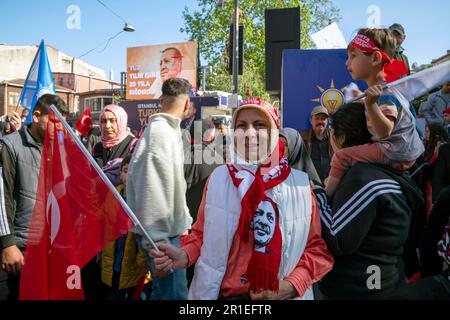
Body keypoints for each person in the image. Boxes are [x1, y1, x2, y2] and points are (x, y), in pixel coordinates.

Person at [149, 98, 334, 300]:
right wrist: (183, 254)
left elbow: (317, 250)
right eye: (241, 125)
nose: (249, 133)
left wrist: (291, 286)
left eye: (260, 125)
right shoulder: (218, 179)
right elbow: (201, 235)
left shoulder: (300, 186)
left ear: (274, 132)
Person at [317, 102, 423, 299]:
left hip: (361, 291)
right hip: (384, 282)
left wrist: (317, 198)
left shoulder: (364, 179)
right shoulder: (383, 171)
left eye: (332, 131)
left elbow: (338, 239)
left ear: (341, 137)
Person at [325, 28, 424, 197]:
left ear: (375, 58)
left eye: (353, 56)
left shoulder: (385, 93)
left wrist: (370, 105)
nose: (347, 62)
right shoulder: (379, 92)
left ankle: (326, 195)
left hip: (394, 151)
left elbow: (384, 132)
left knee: (341, 157)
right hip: (397, 152)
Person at [127, 78, 193, 300]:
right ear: (186, 104)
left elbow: (170, 186)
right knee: (173, 297)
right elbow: (152, 191)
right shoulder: (161, 134)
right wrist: (158, 245)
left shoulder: (166, 131)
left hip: (164, 236)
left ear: (161, 100)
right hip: (163, 242)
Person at [0, 94, 68, 300]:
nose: (60, 128)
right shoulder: (9, 145)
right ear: (37, 116)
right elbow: (2, 199)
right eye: (55, 122)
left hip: (55, 245)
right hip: (23, 247)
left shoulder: (61, 148)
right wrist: (7, 244)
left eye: (63, 124)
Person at [84, 104, 137, 300]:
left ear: (121, 122)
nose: (107, 125)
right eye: (104, 121)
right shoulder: (97, 147)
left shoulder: (134, 145)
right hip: (97, 219)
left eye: (113, 120)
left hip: (121, 223)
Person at [101, 154, 148, 300]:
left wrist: (142, 262)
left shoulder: (144, 202)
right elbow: (102, 225)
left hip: (132, 267)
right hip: (112, 263)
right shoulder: (112, 196)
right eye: (126, 170)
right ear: (120, 173)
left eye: (135, 171)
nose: (130, 175)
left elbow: (145, 236)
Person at [300, 106, 333, 184]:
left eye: (323, 119)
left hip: (332, 184)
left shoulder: (335, 137)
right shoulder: (302, 137)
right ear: (311, 120)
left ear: (327, 121)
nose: (320, 121)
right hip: (310, 185)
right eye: (317, 118)